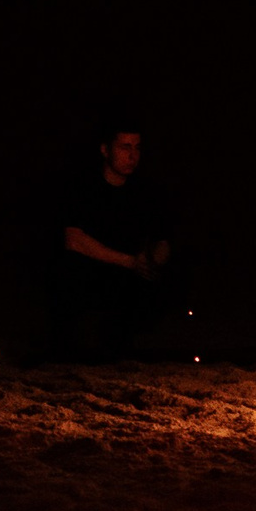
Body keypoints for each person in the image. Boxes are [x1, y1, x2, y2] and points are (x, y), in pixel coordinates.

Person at [49, 124, 170, 364]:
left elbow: (164, 237)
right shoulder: (84, 189)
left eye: (137, 147)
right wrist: (129, 262)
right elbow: (74, 240)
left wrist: (153, 261)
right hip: (88, 289)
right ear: (105, 150)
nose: (132, 155)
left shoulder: (144, 192)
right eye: (125, 147)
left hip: (128, 290)